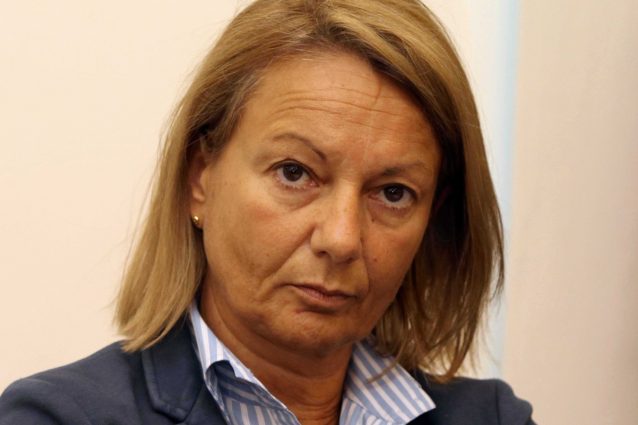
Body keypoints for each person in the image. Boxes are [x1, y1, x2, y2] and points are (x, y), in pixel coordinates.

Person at [0, 0, 535, 424]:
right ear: (200, 178)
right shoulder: (61, 416)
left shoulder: (492, 418)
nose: (342, 238)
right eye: (295, 173)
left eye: (393, 193)